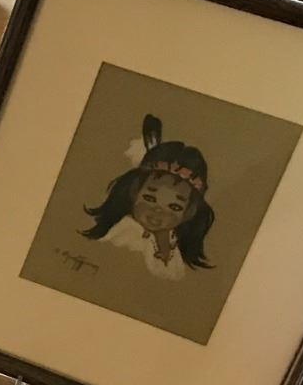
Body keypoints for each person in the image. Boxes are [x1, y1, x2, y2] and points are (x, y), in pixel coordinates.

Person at [79, 113, 214, 281]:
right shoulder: (126, 234)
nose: (158, 211)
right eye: (150, 198)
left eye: (174, 207)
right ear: (134, 191)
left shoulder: (173, 241)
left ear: (189, 212)